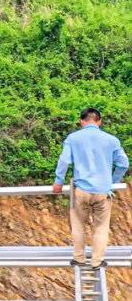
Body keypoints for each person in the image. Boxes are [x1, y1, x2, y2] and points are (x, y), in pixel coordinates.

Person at [53, 107, 128, 269]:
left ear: (81, 122)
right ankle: (97, 261)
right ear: (99, 122)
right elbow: (124, 164)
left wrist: (58, 181)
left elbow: (64, 161)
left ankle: (79, 259)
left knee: (78, 225)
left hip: (80, 191)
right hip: (103, 191)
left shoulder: (73, 138)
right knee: (101, 227)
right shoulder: (112, 140)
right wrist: (112, 182)